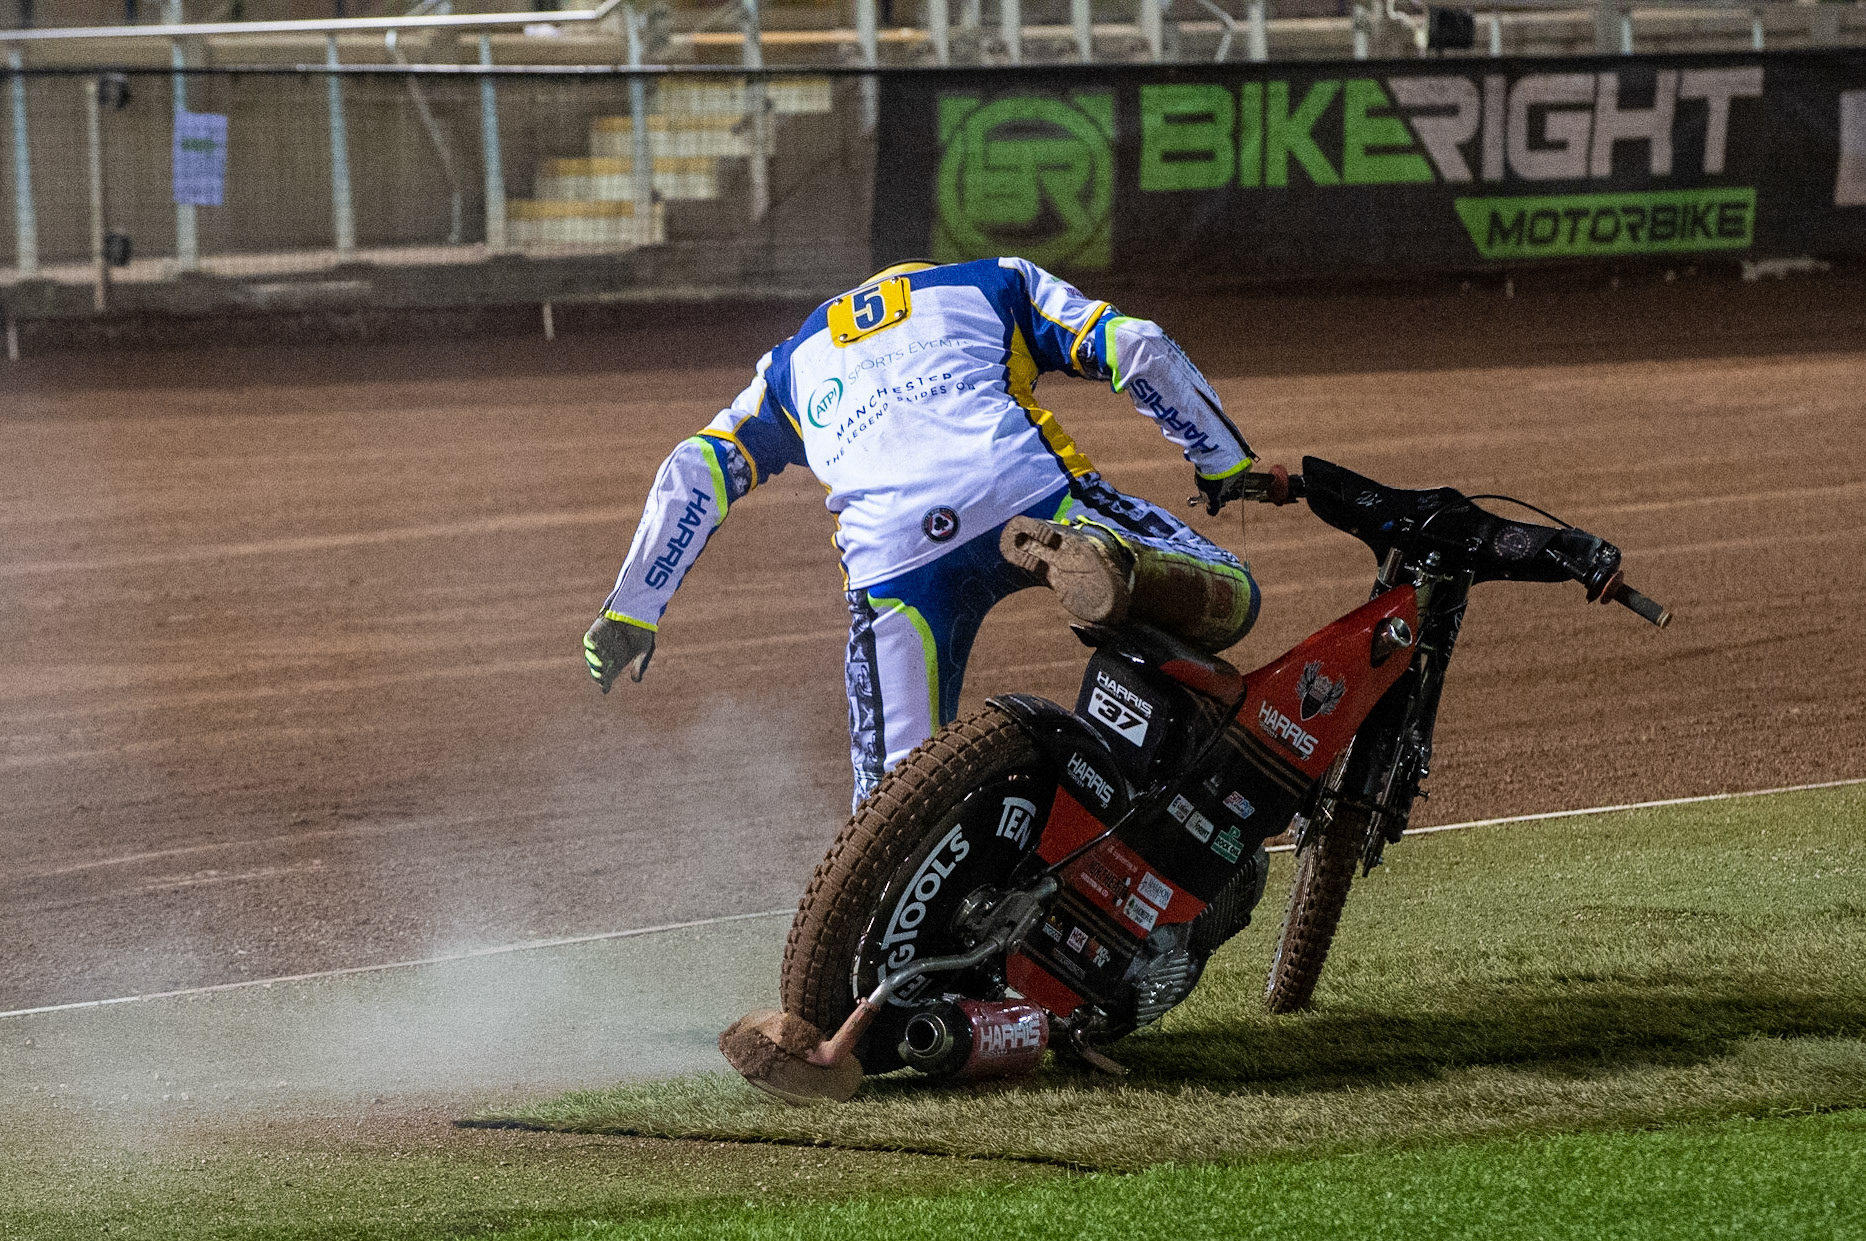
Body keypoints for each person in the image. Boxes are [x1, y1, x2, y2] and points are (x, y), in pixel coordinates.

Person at [583, 257, 1262, 806]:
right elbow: (1135, 346)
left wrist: (632, 610)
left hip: (893, 561)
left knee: (892, 806)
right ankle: (1115, 558)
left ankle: (889, 956)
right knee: (1236, 592)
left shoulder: (789, 364)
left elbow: (698, 466)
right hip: (1028, 495)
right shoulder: (995, 280)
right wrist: (1221, 462)